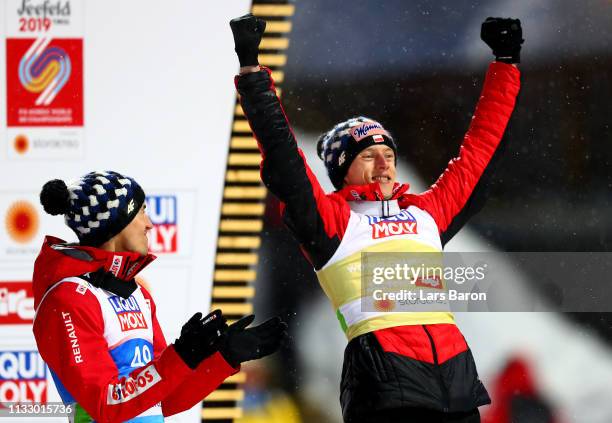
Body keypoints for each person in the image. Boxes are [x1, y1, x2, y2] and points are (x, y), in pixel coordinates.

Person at [229, 14, 522, 423]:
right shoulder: (332, 222)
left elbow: (481, 150)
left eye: (389, 153)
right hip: (386, 390)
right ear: (343, 170)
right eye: (368, 155)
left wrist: (506, 65)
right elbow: (282, 157)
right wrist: (252, 71)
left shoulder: (425, 214)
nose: (384, 163)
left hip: (456, 387)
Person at [33, 170, 287, 423]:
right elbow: (104, 403)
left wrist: (224, 357)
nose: (150, 224)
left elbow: (165, 398)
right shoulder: (68, 299)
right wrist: (181, 355)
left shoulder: (136, 295)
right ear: (116, 222)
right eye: (141, 211)